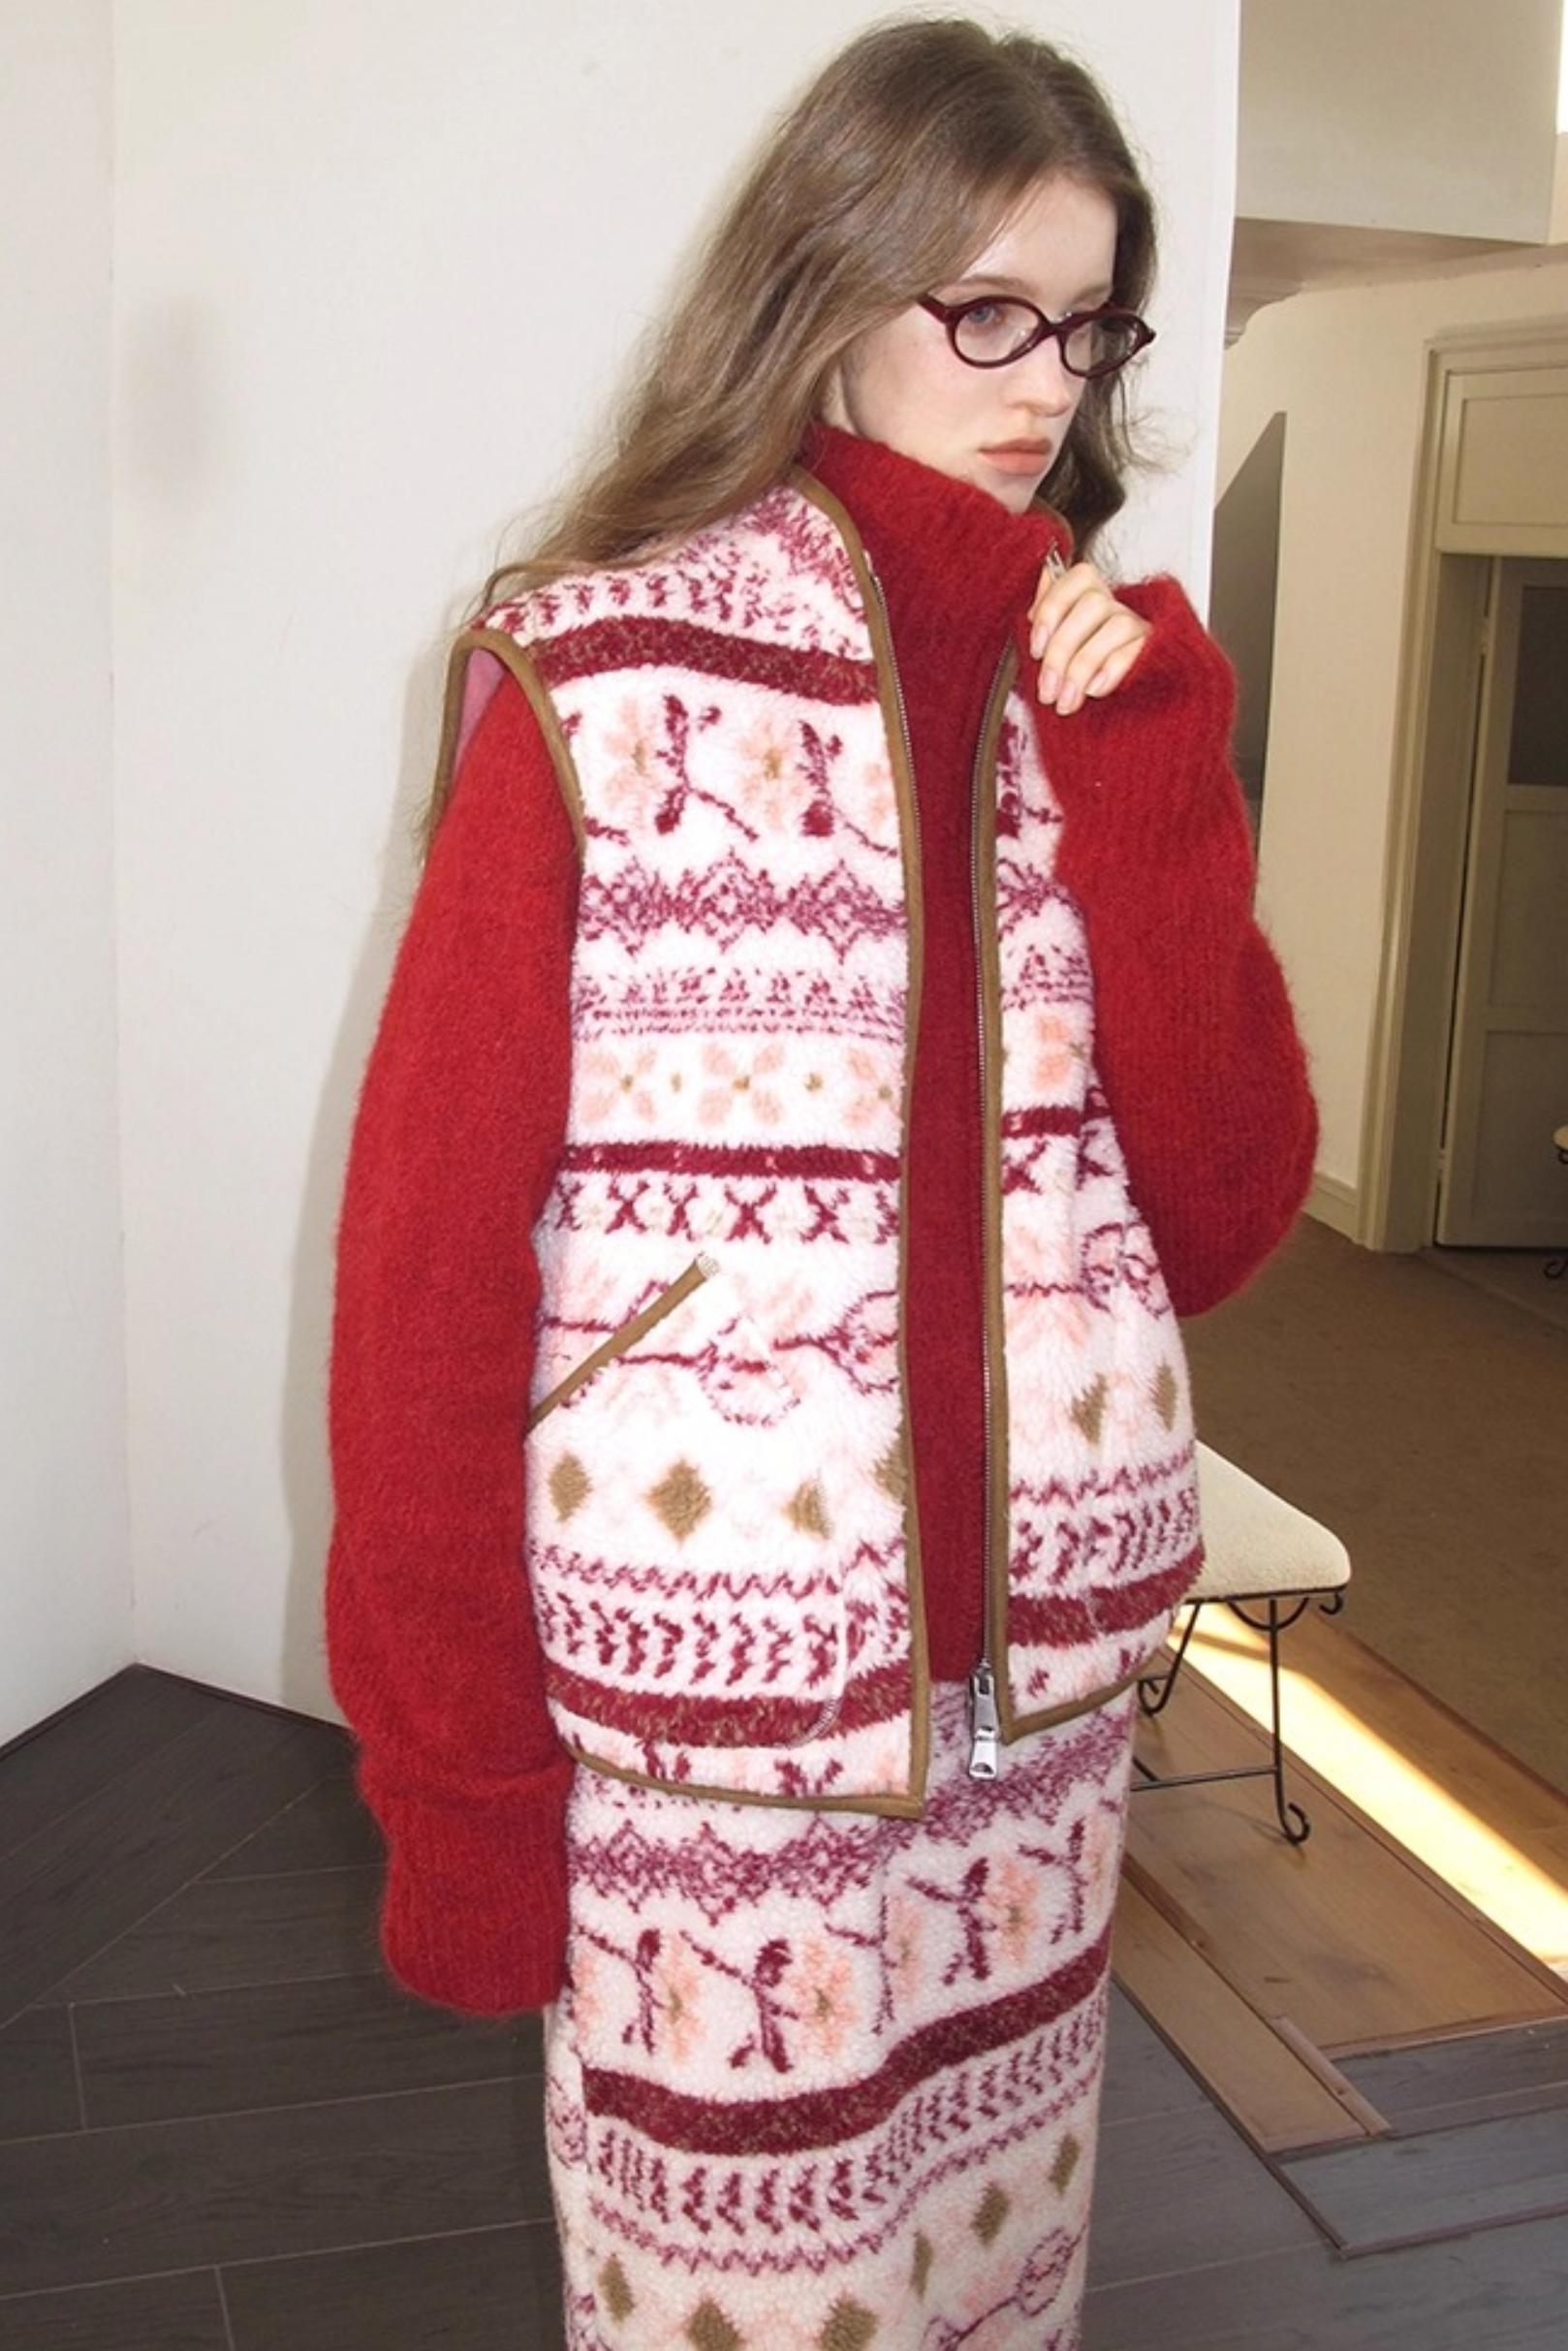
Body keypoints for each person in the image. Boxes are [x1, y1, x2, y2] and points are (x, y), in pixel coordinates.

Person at [325, 17, 1318, 2348]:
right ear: (827, 285)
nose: (1041, 382)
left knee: (994, 2284)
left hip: (1035, 1744)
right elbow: (427, 1282)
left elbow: (1223, 1214)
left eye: (1084, 326)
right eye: (983, 311)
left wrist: (1150, 774)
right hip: (713, 1727)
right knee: (731, 2304)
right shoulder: (595, 673)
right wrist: (460, 1796)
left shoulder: (1097, 693)